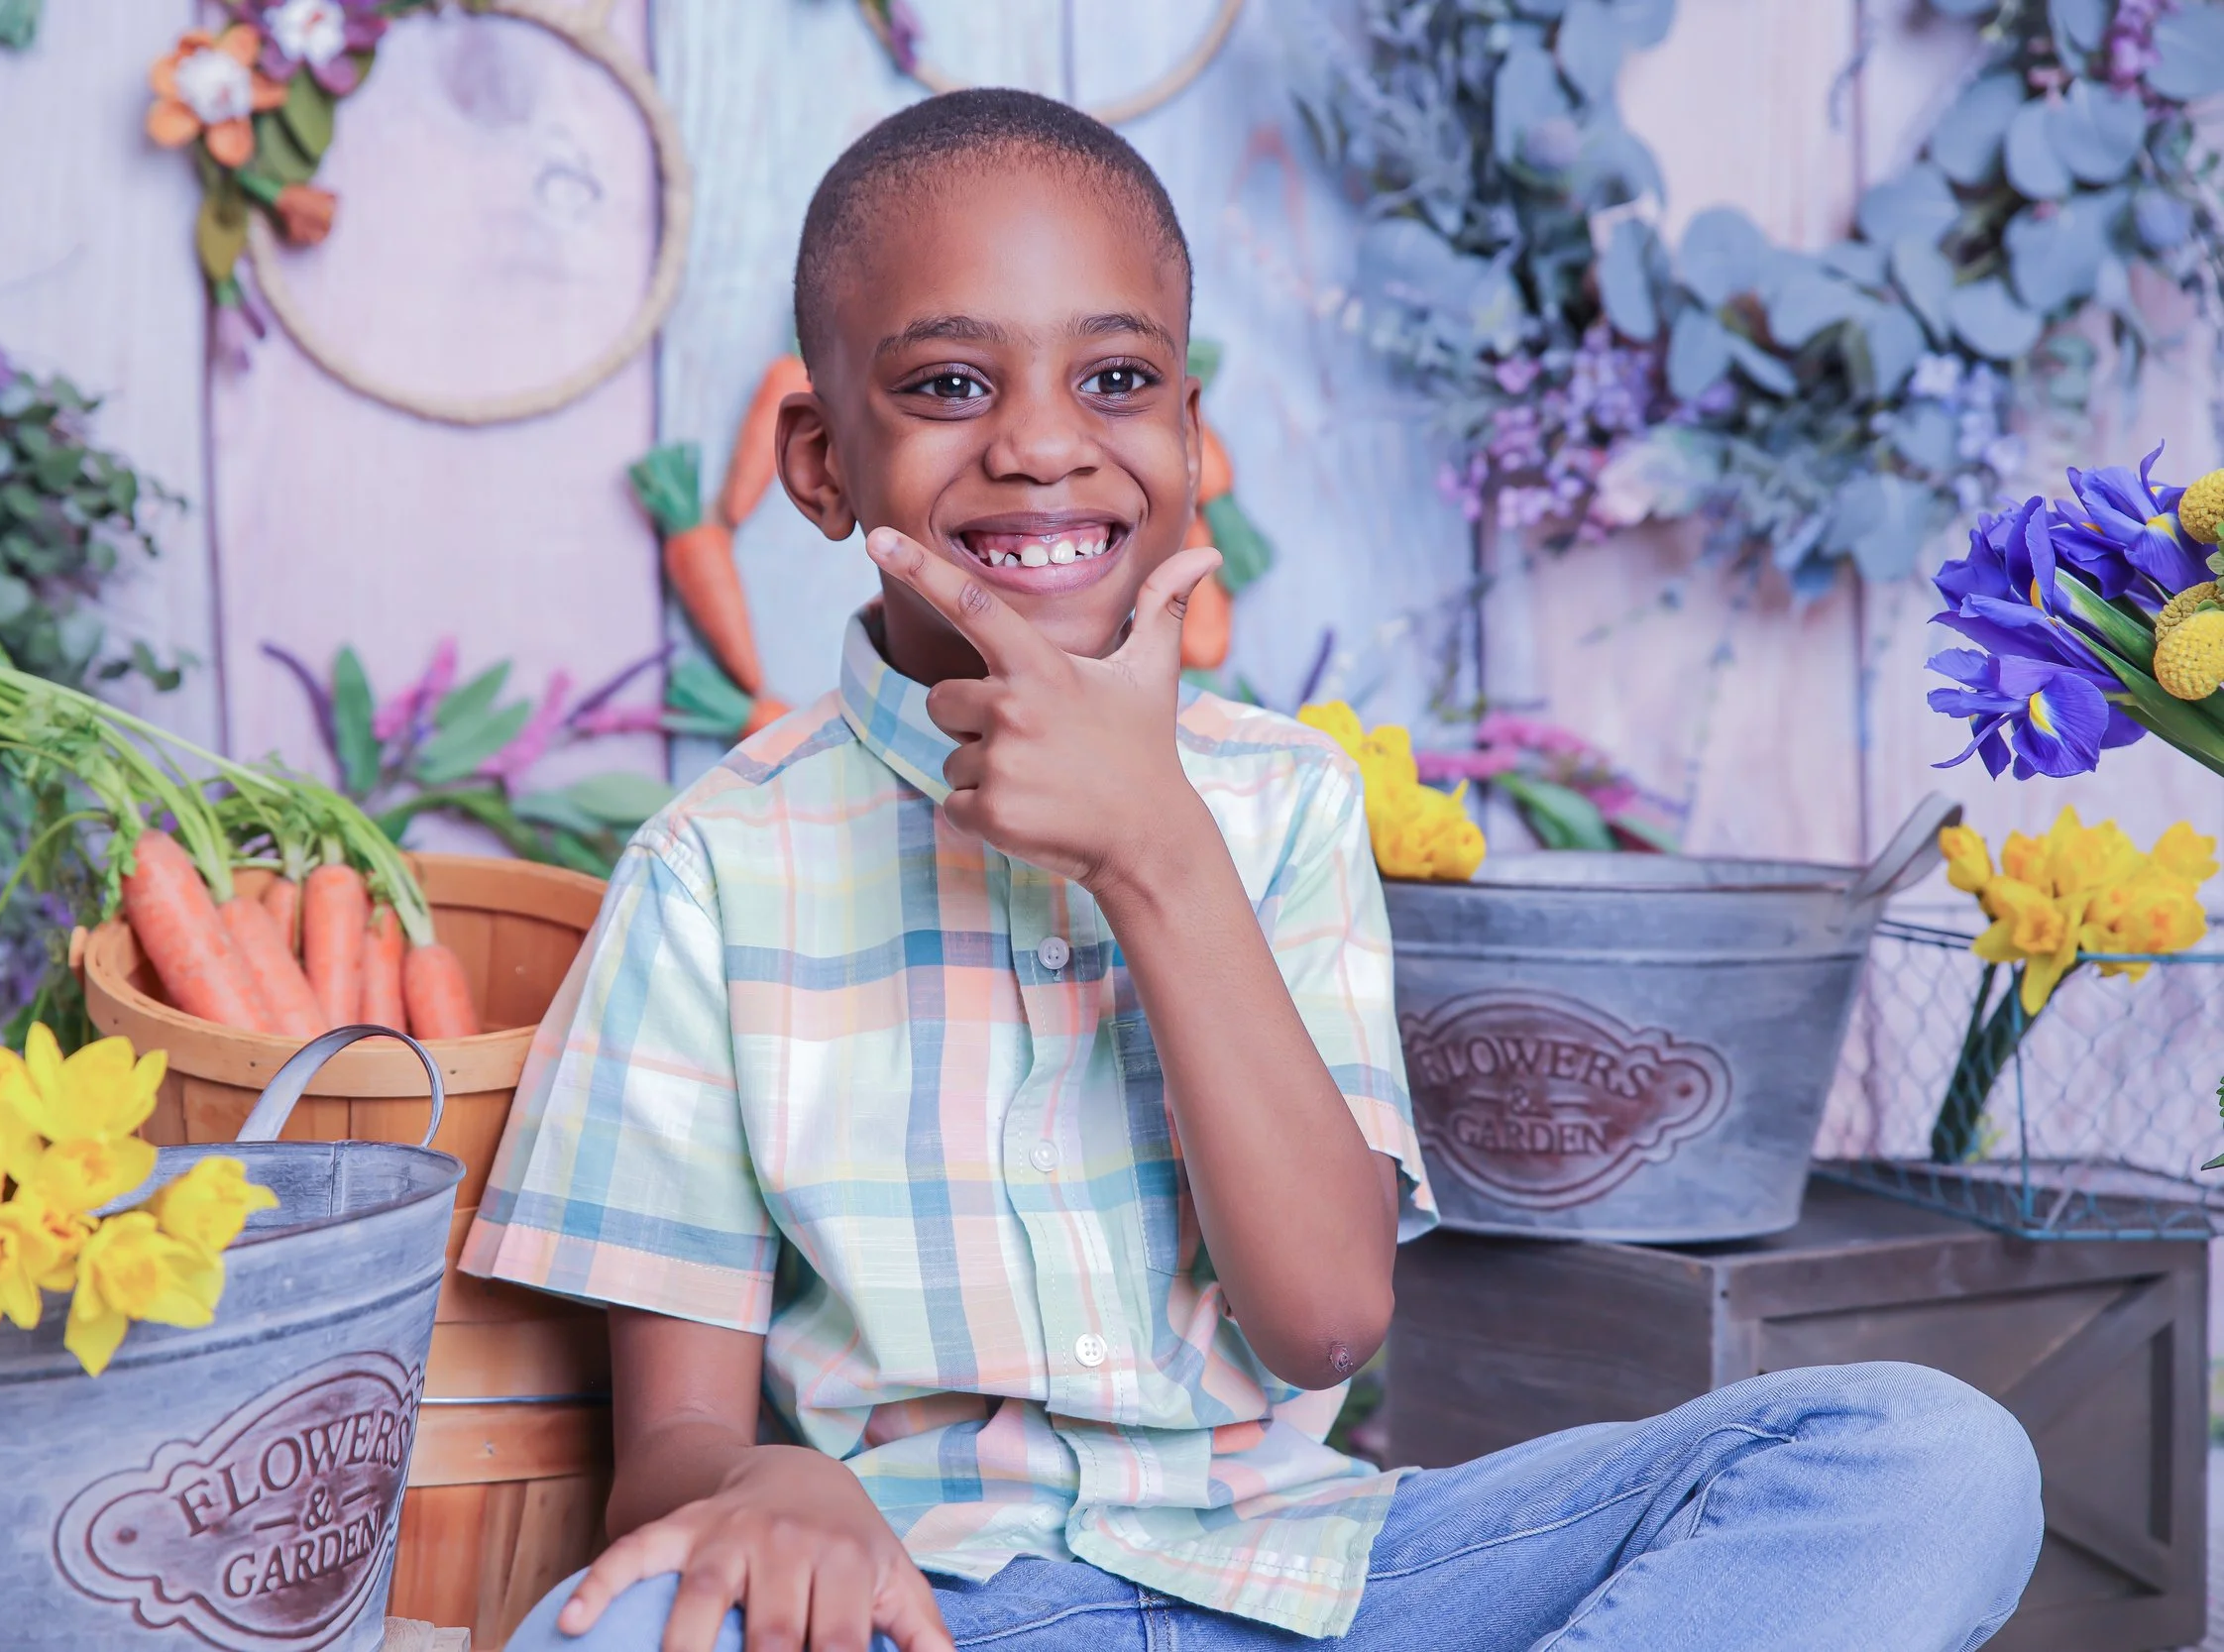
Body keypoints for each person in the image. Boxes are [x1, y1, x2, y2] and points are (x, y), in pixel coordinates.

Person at [463, 87, 2044, 1652]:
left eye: (1115, 377)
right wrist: (775, 1480)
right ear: (820, 465)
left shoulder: (1278, 801)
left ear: (1189, 441)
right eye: (949, 381)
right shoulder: (713, 869)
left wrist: (1156, 849)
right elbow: (664, 1448)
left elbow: (1325, 1320)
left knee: (1924, 1458)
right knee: (611, 1631)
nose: (1039, 442)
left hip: (1325, 1585)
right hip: (939, 1605)